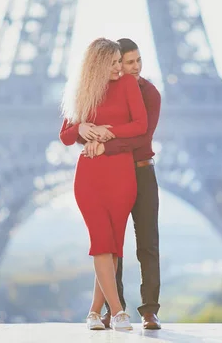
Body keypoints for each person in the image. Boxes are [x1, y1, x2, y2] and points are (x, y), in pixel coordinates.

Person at [59, 37, 147, 331]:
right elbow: (66, 135)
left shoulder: (127, 85)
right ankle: (119, 311)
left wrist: (105, 135)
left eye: (120, 61)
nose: (119, 68)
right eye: (112, 63)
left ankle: (94, 313)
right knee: (101, 242)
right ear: (97, 64)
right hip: (90, 176)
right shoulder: (82, 91)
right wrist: (82, 128)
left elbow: (140, 125)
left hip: (121, 175)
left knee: (113, 246)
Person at [82, 38, 162, 330]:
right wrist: (84, 131)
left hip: (140, 171)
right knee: (111, 244)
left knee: (148, 244)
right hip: (112, 174)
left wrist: (105, 144)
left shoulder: (149, 93)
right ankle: (113, 309)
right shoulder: (103, 90)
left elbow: (142, 136)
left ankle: (150, 310)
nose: (134, 67)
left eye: (137, 61)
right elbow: (80, 123)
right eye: (127, 62)